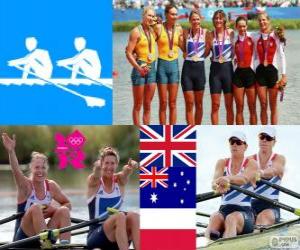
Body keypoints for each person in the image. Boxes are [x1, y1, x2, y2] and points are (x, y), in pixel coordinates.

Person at [1, 133, 71, 247]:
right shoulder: (26, 186)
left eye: (43, 167)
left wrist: (54, 208)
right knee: (35, 208)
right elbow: (16, 171)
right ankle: (46, 245)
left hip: (43, 235)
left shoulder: (51, 186)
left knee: (64, 210)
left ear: (47, 169)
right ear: (31, 169)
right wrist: (11, 151)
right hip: (23, 239)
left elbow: (68, 204)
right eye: (37, 167)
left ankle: (65, 246)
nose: (40, 171)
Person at [205, 131, 257, 239]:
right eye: (232, 142)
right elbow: (214, 182)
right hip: (224, 209)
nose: (234, 145)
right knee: (214, 217)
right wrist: (217, 186)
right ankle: (210, 241)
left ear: (245, 146)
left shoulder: (251, 163)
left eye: (238, 142)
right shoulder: (222, 163)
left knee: (231, 219)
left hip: (244, 212)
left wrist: (226, 179)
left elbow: (244, 179)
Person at [86, 147, 140, 250]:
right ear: (101, 164)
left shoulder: (120, 181)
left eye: (112, 163)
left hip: (118, 236)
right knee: (120, 216)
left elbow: (125, 173)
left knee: (134, 216)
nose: (109, 167)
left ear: (116, 164)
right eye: (106, 163)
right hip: (96, 237)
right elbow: (96, 174)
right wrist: (97, 168)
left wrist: (130, 167)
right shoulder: (94, 182)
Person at [126, 6, 157, 125]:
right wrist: (138, 68)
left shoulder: (153, 31)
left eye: (153, 16)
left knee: (148, 104)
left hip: (152, 68)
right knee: (138, 105)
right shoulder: (135, 31)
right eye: (149, 15)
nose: (151, 18)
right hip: (139, 69)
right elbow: (128, 53)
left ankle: (147, 132)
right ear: (143, 16)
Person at [254, 12, 287, 125]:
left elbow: (282, 56)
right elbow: (242, 33)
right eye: (260, 20)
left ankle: (274, 131)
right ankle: (264, 130)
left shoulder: (276, 36)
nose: (262, 22)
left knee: (273, 106)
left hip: (272, 72)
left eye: (264, 20)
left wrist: (283, 75)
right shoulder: (255, 36)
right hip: (260, 73)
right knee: (263, 104)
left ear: (268, 21)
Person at [154, 4, 184, 124]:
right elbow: (148, 43)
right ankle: (162, 131)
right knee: (163, 103)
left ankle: (172, 131)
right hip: (162, 67)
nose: (175, 16)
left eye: (176, 14)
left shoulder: (179, 29)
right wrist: (135, 52)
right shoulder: (159, 28)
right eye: (172, 14)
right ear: (166, 14)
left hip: (174, 67)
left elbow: (183, 48)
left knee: (172, 103)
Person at [250, 126, 285, 226]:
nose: (264, 140)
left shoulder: (279, 159)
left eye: (268, 138)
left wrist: (261, 173)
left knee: (263, 218)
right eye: (262, 137)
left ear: (274, 142)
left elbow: (273, 170)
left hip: (271, 206)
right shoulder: (249, 160)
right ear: (258, 139)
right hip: (250, 206)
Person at [181, 10, 210, 125]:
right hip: (187, 70)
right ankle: (190, 130)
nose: (196, 21)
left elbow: (209, 49)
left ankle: (197, 128)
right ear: (189, 21)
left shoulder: (207, 33)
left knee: (199, 104)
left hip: (200, 70)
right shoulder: (184, 32)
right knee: (189, 103)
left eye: (197, 19)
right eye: (193, 19)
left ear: (201, 20)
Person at [207, 10, 234, 125]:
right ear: (213, 20)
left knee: (229, 105)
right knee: (215, 105)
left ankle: (229, 130)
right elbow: (205, 52)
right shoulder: (210, 34)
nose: (218, 20)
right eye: (216, 18)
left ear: (224, 20)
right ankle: (214, 130)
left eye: (220, 18)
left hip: (228, 70)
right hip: (215, 71)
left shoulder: (231, 33)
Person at [233, 16, 257, 125]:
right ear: (236, 27)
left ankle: (253, 132)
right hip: (238, 74)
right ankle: (240, 132)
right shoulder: (233, 39)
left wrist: (279, 33)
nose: (242, 28)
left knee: (252, 107)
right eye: (240, 26)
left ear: (246, 26)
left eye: (244, 26)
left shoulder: (252, 36)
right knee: (239, 107)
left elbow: (268, 33)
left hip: (250, 74)